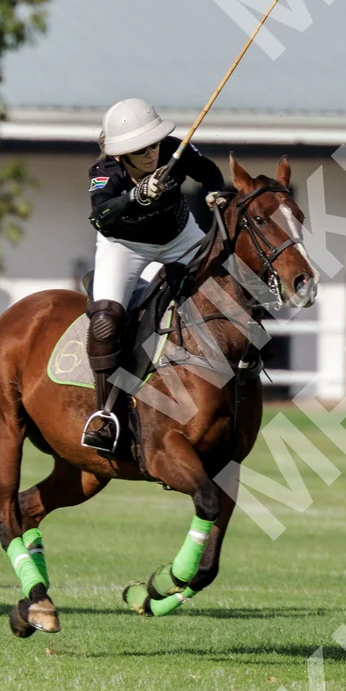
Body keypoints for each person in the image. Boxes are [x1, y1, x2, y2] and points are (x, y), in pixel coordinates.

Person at [81, 98, 228, 452]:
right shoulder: (105, 172)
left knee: (224, 291)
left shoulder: (175, 151)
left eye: (154, 144)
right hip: (125, 247)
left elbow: (208, 170)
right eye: (139, 150)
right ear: (121, 155)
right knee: (105, 322)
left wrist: (215, 192)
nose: (150, 154)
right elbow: (100, 215)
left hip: (180, 237)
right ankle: (107, 414)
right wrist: (135, 195)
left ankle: (244, 371)